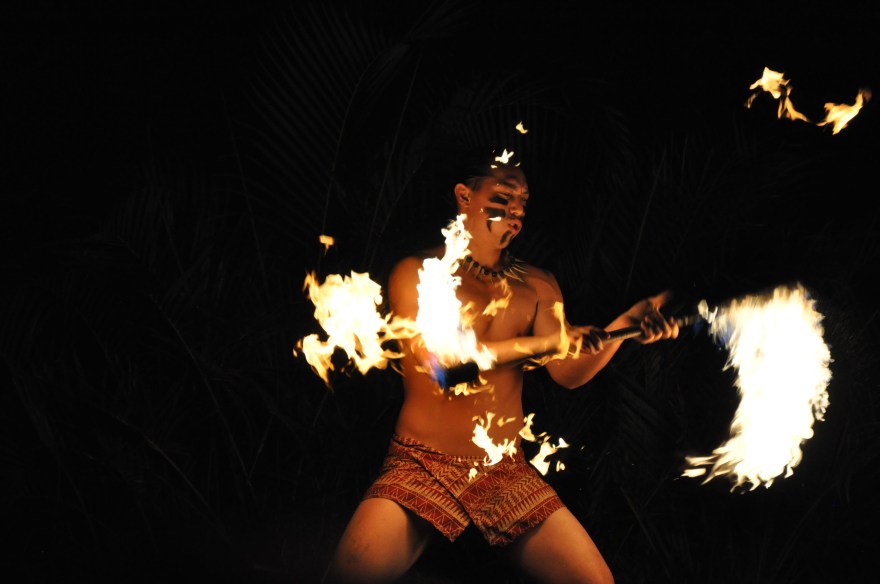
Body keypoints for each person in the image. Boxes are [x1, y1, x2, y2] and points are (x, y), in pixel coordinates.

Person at [324, 148, 679, 584]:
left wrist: (626, 324)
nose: (517, 210)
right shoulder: (419, 273)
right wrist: (550, 340)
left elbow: (566, 371)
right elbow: (447, 364)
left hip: (503, 470)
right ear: (464, 196)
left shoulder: (538, 284)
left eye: (524, 201)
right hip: (421, 463)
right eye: (505, 195)